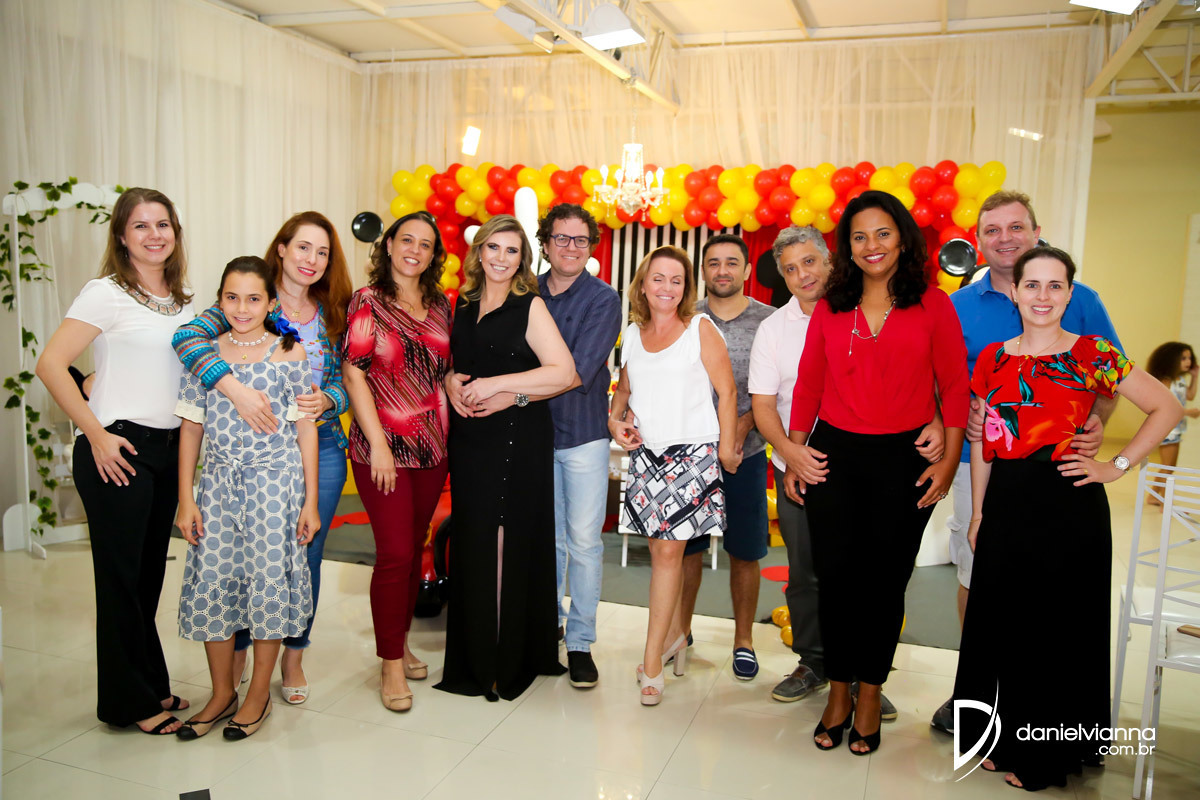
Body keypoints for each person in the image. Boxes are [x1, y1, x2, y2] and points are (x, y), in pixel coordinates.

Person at [953, 246, 1182, 791]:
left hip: (1068, 502)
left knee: (1053, 628)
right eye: (1032, 285)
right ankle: (998, 738)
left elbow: (1166, 407)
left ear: (1070, 294)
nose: (1043, 296)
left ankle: (1045, 754)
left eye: (1055, 286)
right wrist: (979, 512)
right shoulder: (993, 359)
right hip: (1005, 500)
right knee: (1002, 621)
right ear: (1014, 291)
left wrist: (1116, 466)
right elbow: (984, 441)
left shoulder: (1093, 352)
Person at [931, 190, 1122, 734]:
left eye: (1016, 227)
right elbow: (943, 379)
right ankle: (981, 697)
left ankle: (1043, 705)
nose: (1005, 238)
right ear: (979, 240)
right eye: (992, 230)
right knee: (978, 576)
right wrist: (961, 416)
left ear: (1036, 232)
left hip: (1056, 473)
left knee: (1051, 587)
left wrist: (1097, 423)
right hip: (981, 465)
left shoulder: (1081, 298)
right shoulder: (958, 306)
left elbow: (1112, 378)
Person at [785, 190, 967, 755]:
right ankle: (838, 691)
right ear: (847, 246)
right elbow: (809, 383)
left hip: (903, 460)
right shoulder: (831, 306)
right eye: (859, 236)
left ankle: (870, 693)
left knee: (884, 584)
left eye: (883, 233)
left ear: (903, 239)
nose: (872, 245)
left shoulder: (933, 304)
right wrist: (795, 452)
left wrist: (947, 458)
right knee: (835, 580)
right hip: (833, 458)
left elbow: (955, 384)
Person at [750, 226, 942, 711]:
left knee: (872, 575)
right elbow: (764, 405)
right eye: (790, 269)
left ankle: (864, 676)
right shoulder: (773, 329)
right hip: (800, 468)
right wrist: (791, 453)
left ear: (830, 261)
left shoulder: (874, 309)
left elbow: (924, 376)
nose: (802, 275)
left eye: (809, 262)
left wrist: (939, 419)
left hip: (870, 465)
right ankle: (815, 662)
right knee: (808, 574)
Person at [172, 211, 352, 705]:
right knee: (233, 562)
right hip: (234, 459)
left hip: (315, 446)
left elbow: (346, 380)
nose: (312, 259)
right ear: (282, 248)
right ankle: (234, 661)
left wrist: (328, 400)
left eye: (322, 252)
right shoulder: (245, 297)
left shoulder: (333, 313)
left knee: (301, 558)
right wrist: (235, 391)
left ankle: (292, 658)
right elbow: (186, 341)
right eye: (303, 247)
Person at [35, 188, 195, 735]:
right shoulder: (105, 293)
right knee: (121, 580)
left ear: (175, 233)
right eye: (141, 225)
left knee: (147, 577)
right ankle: (129, 704)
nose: (154, 235)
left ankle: (149, 682)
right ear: (122, 237)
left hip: (166, 449)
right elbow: (51, 364)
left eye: (163, 224)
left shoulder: (184, 302)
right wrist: (96, 434)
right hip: (117, 448)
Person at [448, 203, 621, 688]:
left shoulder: (602, 299)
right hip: (527, 439)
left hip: (580, 434)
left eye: (580, 240)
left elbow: (574, 373)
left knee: (583, 542)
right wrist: (452, 381)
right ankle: (547, 628)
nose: (571, 247)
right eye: (561, 238)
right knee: (546, 541)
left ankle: (580, 642)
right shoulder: (524, 288)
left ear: (591, 248)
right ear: (544, 244)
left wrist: (508, 394)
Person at [173, 256, 319, 741]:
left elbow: (305, 428)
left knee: (266, 584)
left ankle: (257, 694)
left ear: (271, 303)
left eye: (254, 298)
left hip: (275, 487)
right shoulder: (205, 356)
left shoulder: (289, 352)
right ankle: (221, 693)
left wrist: (310, 501)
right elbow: (191, 427)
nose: (242, 308)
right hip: (217, 486)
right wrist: (187, 498)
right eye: (232, 297)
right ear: (219, 301)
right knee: (214, 581)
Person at [435, 214, 575, 702]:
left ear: (522, 260)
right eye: (492, 247)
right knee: (473, 541)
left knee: (502, 543)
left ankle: (503, 660)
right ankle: (475, 656)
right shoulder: (461, 303)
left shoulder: (529, 305)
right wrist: (450, 381)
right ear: (479, 252)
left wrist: (502, 389)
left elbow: (563, 373)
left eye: (511, 250)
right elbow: (454, 364)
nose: (500, 257)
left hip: (517, 436)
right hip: (470, 440)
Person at [610, 245, 740, 705]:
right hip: (647, 457)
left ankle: (652, 661)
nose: (667, 288)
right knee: (661, 555)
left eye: (677, 280)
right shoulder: (632, 332)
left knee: (668, 555)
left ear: (687, 288)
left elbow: (727, 392)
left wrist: (725, 450)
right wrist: (614, 421)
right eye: (658, 278)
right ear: (643, 284)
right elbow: (624, 391)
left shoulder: (700, 328)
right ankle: (674, 638)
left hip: (692, 456)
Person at [342, 211, 452, 712]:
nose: (415, 250)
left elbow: (442, 373)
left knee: (414, 547)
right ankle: (389, 664)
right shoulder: (367, 301)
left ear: (433, 256)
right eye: (407, 240)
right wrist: (380, 444)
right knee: (393, 553)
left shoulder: (440, 305)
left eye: (425, 244)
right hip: (380, 448)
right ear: (388, 245)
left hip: (432, 449)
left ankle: (400, 643)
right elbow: (354, 373)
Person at [676, 233, 774, 681]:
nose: (722, 271)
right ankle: (680, 632)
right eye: (713, 263)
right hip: (691, 455)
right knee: (686, 550)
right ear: (703, 270)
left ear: (747, 270)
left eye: (732, 262)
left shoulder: (768, 321)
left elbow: (775, 391)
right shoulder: (686, 317)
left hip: (745, 454)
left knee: (745, 552)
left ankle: (744, 641)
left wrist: (741, 429)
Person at [1145, 341, 1198, 480]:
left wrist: (1195, 377)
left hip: (1177, 427)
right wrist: (1188, 412)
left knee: (1170, 467)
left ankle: (1156, 492)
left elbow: (1190, 395)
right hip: (1168, 428)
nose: (1188, 362)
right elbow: (1165, 407)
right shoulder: (1165, 381)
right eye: (1183, 358)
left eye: (1189, 358)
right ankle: (1160, 493)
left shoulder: (1179, 379)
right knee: (1168, 467)